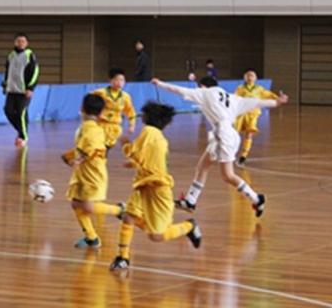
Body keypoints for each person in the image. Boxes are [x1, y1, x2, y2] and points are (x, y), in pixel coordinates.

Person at [152, 77, 288, 217]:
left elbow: (180, 90)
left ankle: (256, 199)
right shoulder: (232, 98)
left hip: (223, 136)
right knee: (202, 167)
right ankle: (190, 200)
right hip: (228, 134)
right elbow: (256, 102)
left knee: (228, 175)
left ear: (203, 86)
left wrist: (160, 84)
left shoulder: (204, 93)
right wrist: (275, 102)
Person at [109, 102, 201, 273]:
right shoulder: (156, 136)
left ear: (145, 118)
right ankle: (123, 257)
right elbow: (146, 158)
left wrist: (125, 143)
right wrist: (133, 164)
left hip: (159, 188)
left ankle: (189, 226)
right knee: (129, 218)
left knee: (157, 236)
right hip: (143, 185)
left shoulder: (149, 132)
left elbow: (134, 152)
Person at [65, 94, 125, 249]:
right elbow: (83, 147)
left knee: (88, 207)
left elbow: (93, 148)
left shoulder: (93, 129)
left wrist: (79, 159)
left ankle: (119, 210)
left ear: (82, 108)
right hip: (82, 173)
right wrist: (70, 156)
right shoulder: (86, 127)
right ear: (100, 113)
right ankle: (91, 237)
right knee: (75, 203)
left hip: (93, 174)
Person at [234, 70, 280, 168]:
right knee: (234, 133)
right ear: (244, 78)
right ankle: (231, 152)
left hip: (253, 115)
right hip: (242, 114)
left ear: (255, 78)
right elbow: (234, 99)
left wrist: (278, 98)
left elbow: (269, 94)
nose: (250, 77)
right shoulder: (240, 88)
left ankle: (243, 156)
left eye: (252, 76)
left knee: (249, 134)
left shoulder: (259, 89)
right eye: (248, 76)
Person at [2, 33, 39, 148]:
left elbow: (35, 72)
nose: (21, 43)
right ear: (15, 42)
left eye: (23, 41)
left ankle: (23, 137)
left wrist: (30, 88)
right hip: (12, 90)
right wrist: (5, 85)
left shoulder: (30, 55)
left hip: (23, 91)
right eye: (19, 41)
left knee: (21, 112)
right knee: (8, 110)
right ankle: (21, 130)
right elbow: (8, 72)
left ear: (26, 43)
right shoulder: (11, 55)